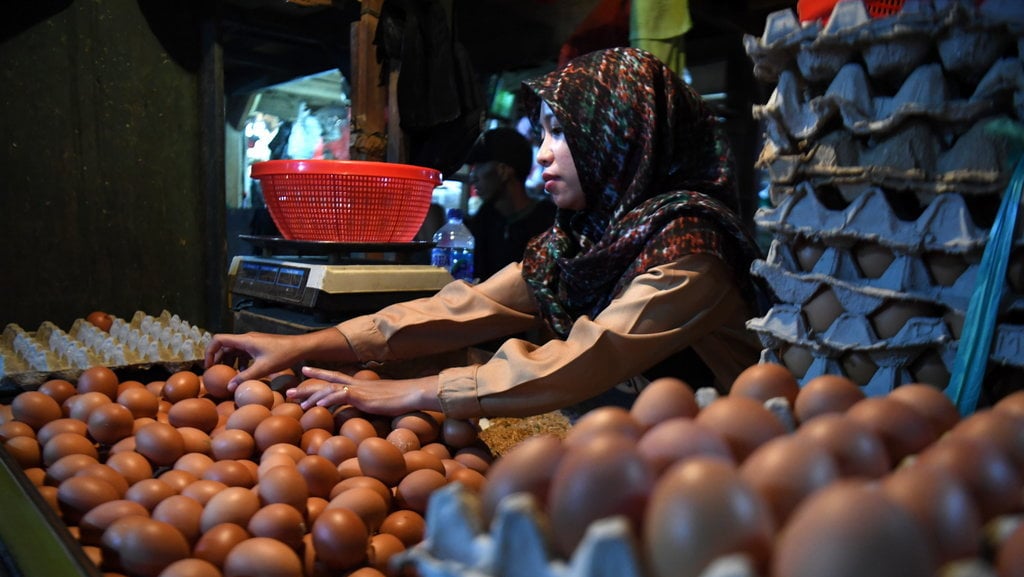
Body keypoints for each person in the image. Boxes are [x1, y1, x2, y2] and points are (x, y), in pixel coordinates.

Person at [205, 47, 770, 420]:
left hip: (723, 462)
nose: (543, 154)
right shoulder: (585, 242)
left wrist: (418, 390)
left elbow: (590, 356)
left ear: (622, 137)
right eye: (543, 133)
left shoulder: (693, 247)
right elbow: (463, 307)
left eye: (562, 133)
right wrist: (301, 345)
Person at [463, 127, 557, 280]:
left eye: (479, 166)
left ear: (503, 170)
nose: (473, 177)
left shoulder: (548, 221)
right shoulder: (485, 218)